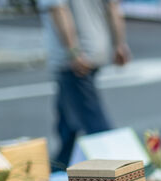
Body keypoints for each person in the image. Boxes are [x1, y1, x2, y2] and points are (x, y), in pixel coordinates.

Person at [38, 0, 130, 169]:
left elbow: (58, 9)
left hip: (75, 61)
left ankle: (122, 176)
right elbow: (113, 6)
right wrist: (119, 43)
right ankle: (58, 168)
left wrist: (73, 53)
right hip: (93, 51)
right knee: (68, 124)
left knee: (97, 127)